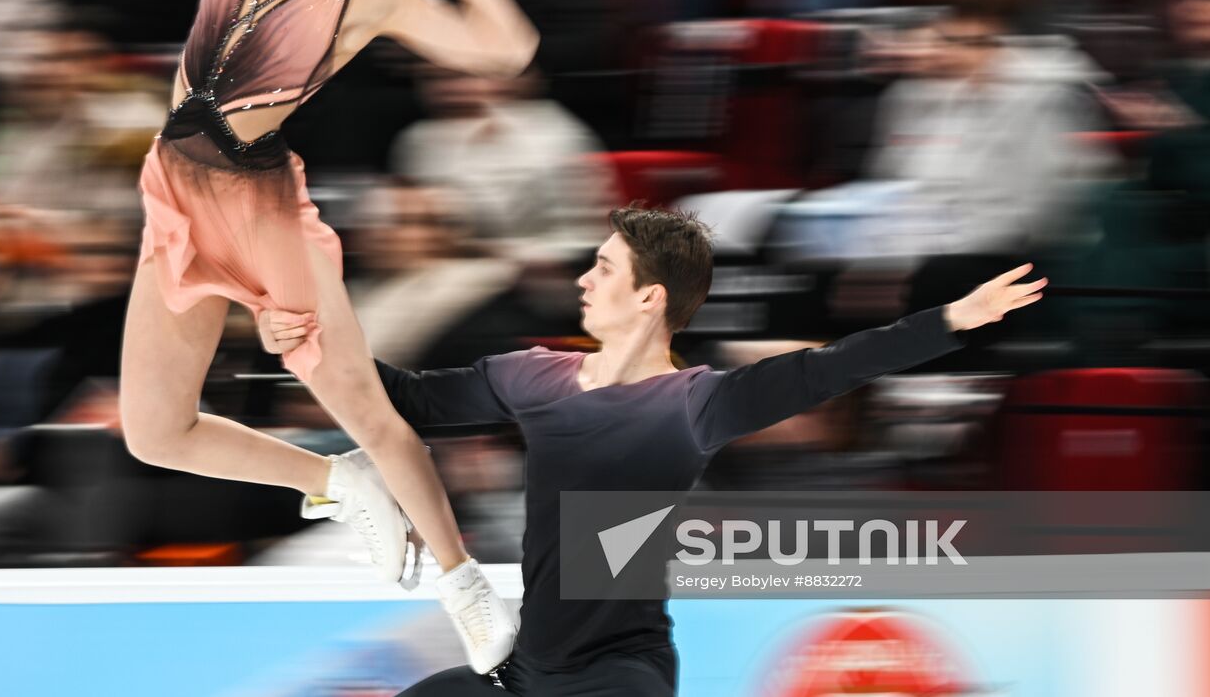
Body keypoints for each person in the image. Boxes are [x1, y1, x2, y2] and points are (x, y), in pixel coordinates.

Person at [116, 0, 537, 674]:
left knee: (364, 405)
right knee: (155, 431)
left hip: (255, 207)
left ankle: (465, 580)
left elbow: (507, 51)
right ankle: (333, 483)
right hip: (172, 196)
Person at [262, 205, 1046, 695]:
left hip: (619, 674)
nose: (582, 277)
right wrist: (303, 334)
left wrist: (951, 319)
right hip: (525, 669)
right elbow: (401, 396)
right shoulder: (532, 375)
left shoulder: (694, 403)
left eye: (601, 266)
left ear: (649, 296)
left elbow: (828, 368)